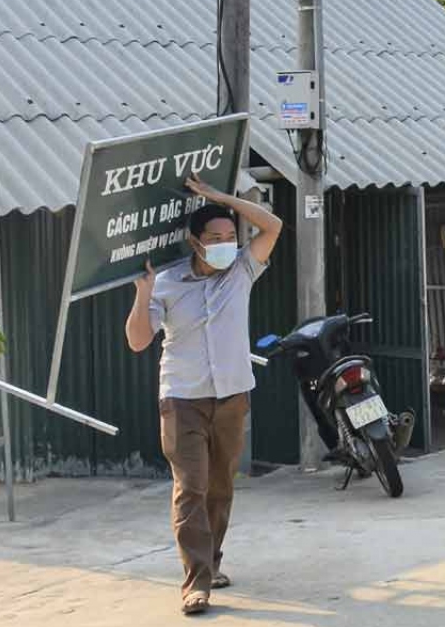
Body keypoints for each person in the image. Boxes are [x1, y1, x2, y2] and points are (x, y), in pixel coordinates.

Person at [126, 175, 283, 616]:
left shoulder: (242, 271)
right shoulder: (167, 283)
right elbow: (138, 341)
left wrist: (219, 198)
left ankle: (211, 563)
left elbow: (272, 226)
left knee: (219, 487)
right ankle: (195, 583)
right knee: (190, 487)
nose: (226, 244)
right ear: (195, 243)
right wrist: (142, 295)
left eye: (231, 237)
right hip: (182, 399)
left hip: (232, 395)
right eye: (215, 239)